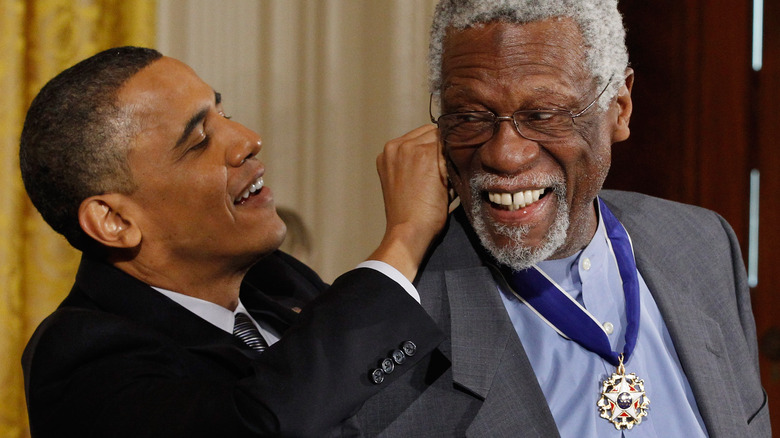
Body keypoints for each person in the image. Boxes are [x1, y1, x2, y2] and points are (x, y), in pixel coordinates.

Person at [350, 0, 771, 436]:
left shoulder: (703, 245)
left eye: (543, 115)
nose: (504, 154)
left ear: (620, 107)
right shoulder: (400, 331)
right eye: (471, 117)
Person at [20, 46, 449, 437]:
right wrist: (404, 238)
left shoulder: (274, 278)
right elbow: (257, 423)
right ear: (115, 220)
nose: (248, 139)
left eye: (223, 114)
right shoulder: (80, 356)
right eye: (199, 141)